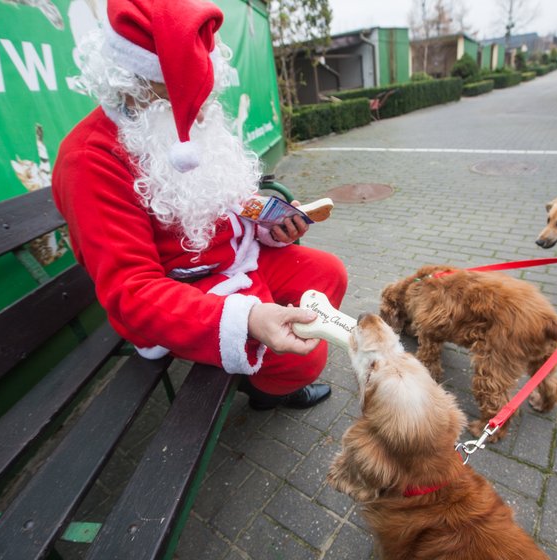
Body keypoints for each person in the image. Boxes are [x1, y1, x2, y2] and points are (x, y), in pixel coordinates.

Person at [52, 0, 347, 410]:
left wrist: (268, 222)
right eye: (183, 97)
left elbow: (221, 202)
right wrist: (248, 319)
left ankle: (266, 381)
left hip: (234, 260)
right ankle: (266, 386)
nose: (202, 110)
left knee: (328, 274)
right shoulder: (88, 159)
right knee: (307, 354)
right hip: (182, 292)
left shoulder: (179, 121)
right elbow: (131, 292)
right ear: (131, 83)